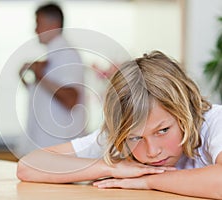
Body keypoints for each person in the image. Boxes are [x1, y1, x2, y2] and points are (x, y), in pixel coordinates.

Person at [17, 50, 222, 199]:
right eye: (136, 137)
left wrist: (148, 181)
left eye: (163, 130)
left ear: (185, 110)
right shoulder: (120, 137)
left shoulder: (213, 121)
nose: (152, 151)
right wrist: (112, 166)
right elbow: (28, 167)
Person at [18, 3, 85, 151]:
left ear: (54, 25)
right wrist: (26, 76)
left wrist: (39, 75)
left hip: (60, 150)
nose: (35, 30)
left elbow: (70, 99)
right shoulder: (51, 58)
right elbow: (43, 97)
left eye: (38, 24)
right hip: (46, 148)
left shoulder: (67, 55)